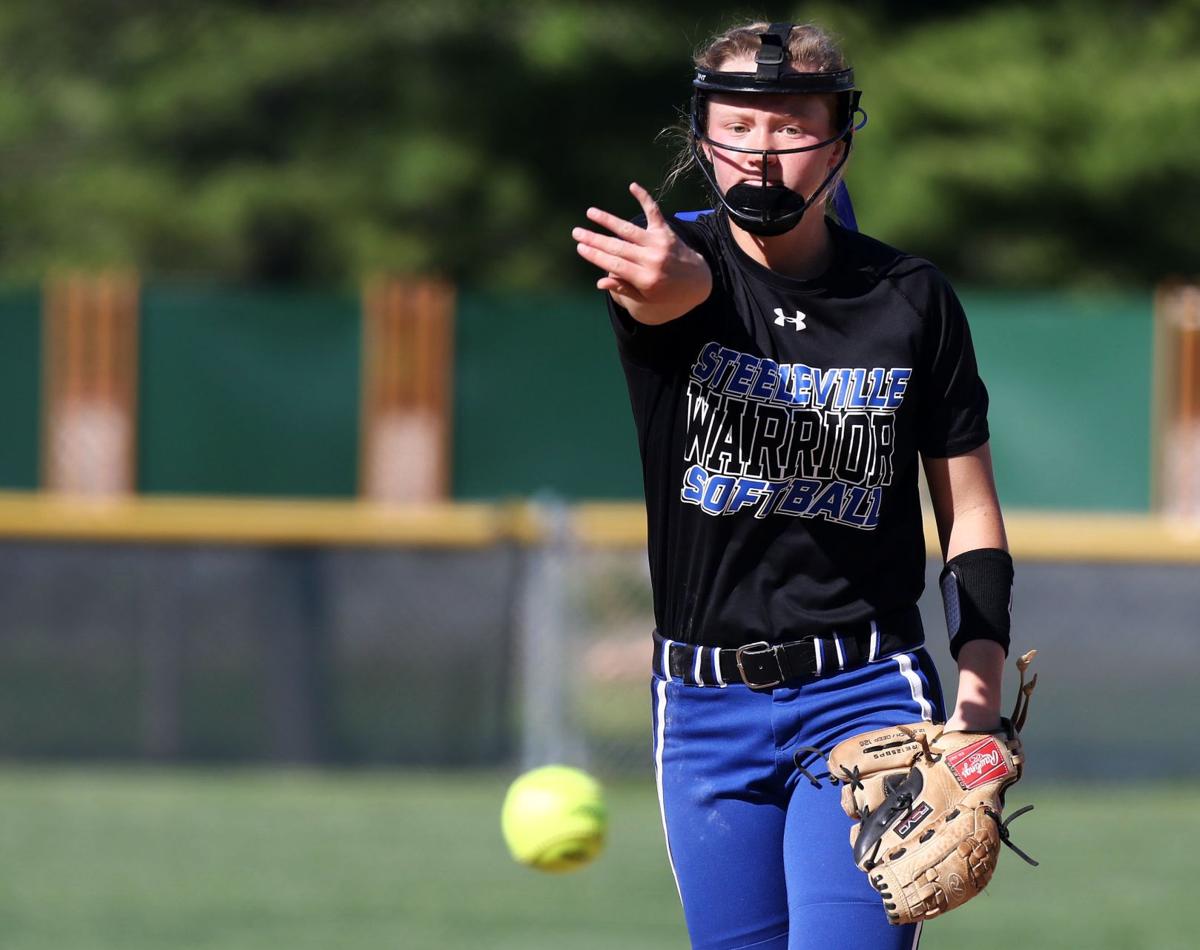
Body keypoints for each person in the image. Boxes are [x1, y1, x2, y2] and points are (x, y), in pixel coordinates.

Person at [572, 19, 1016, 950]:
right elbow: (674, 287)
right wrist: (665, 286)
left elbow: (968, 509)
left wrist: (978, 701)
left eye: (789, 127)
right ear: (701, 137)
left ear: (840, 140)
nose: (761, 153)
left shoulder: (910, 298)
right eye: (737, 126)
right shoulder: (676, 271)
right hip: (699, 712)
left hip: (865, 697)